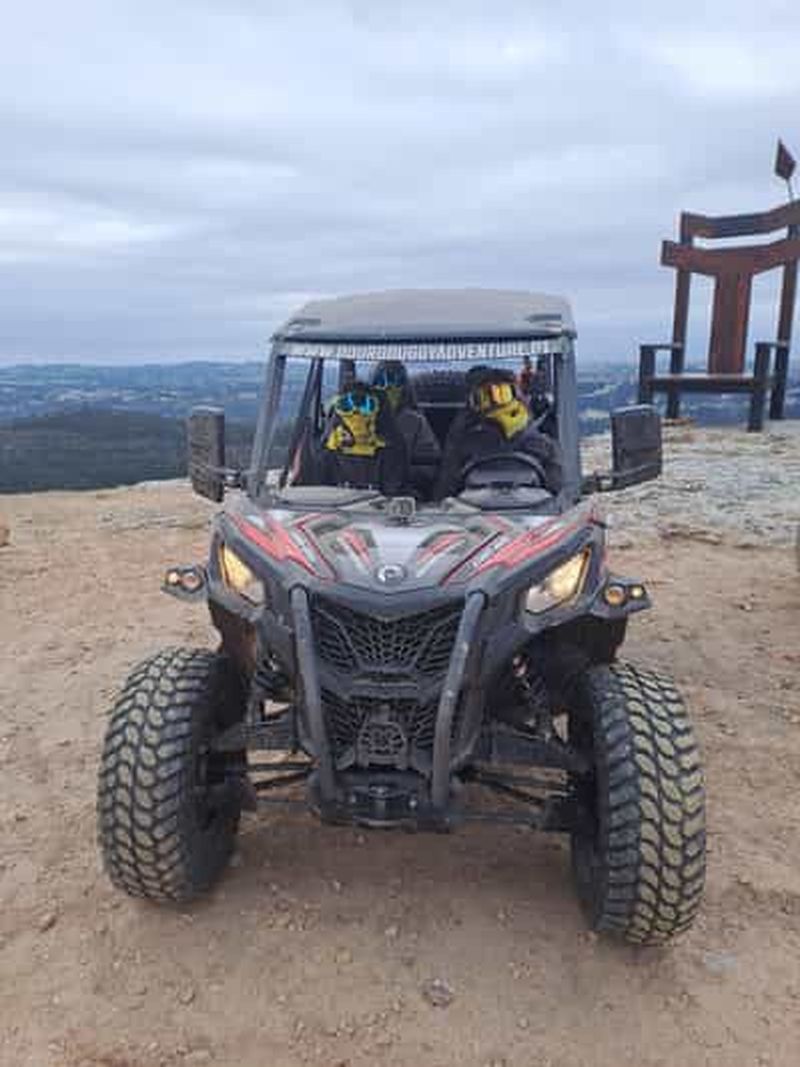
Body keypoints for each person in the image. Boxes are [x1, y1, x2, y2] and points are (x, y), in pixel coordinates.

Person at [435, 365, 563, 499]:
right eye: (486, 396)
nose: (495, 402)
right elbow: (445, 492)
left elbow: (559, 497)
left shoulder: (543, 444)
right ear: (474, 402)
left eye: (502, 393)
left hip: (533, 516)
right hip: (472, 516)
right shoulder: (462, 442)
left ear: (516, 395)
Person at [315, 382, 409, 495]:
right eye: (347, 406)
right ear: (338, 412)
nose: (356, 412)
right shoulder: (327, 450)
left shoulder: (392, 449)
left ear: (378, 412)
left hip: (375, 511)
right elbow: (314, 494)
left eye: (366, 406)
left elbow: (392, 495)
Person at [370, 361, 441, 498]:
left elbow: (431, 468)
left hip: (405, 499)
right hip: (358, 500)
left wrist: (398, 478)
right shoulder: (354, 417)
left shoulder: (416, 423)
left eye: (395, 381)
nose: (387, 388)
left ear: (404, 387)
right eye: (380, 382)